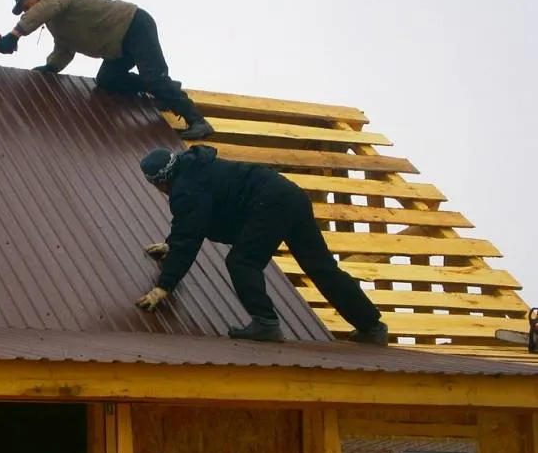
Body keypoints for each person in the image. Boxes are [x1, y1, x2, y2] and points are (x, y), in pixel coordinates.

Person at [134, 144, 389, 346]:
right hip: (290, 195)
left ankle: (265, 323)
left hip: (269, 204)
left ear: (160, 181)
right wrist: (171, 246)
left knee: (242, 260)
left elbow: (188, 237)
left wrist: (164, 286)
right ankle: (372, 327)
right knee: (321, 267)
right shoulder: (195, 167)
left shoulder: (186, 189)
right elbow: (189, 228)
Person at [0, 0, 215, 141]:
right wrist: (51, 68)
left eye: (24, 6)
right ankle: (164, 90)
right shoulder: (55, 22)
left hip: (133, 25)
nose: (25, 12)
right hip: (117, 47)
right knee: (107, 80)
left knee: (155, 77)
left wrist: (15, 34)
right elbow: (64, 49)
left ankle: (197, 121)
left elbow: (48, 7)